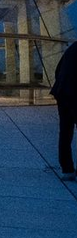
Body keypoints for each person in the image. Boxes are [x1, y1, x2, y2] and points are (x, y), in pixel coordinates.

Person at [51, 41, 77, 180]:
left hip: (63, 93)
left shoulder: (73, 47)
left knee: (65, 132)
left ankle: (67, 170)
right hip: (73, 94)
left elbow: (58, 70)